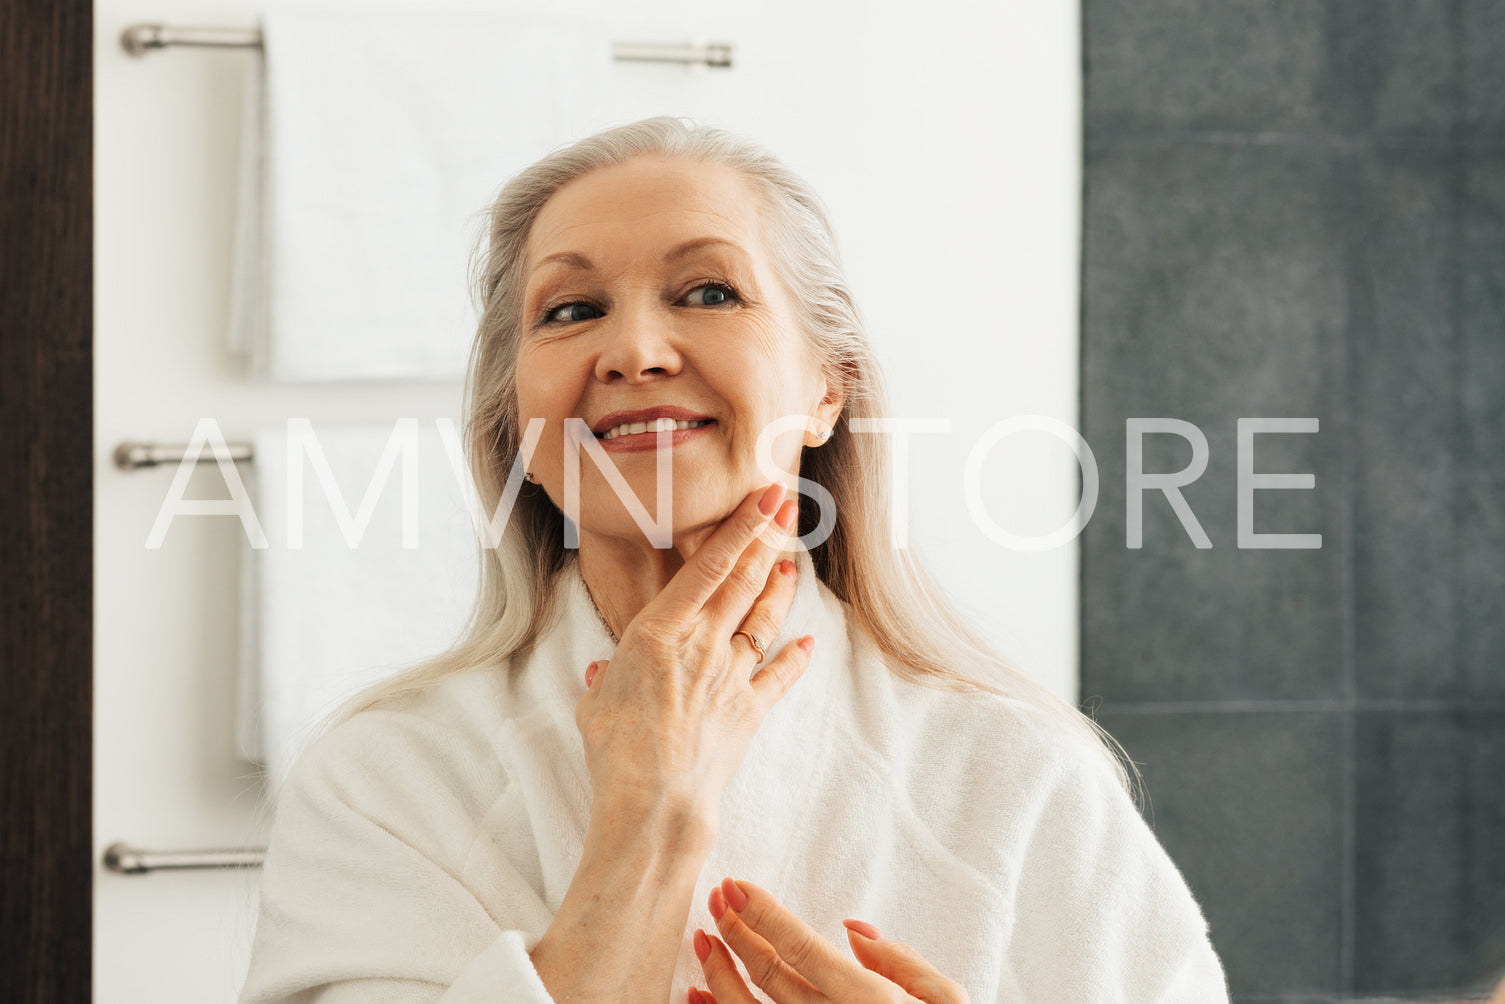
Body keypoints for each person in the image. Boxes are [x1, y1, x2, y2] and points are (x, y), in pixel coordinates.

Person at [238, 116, 1229, 1004]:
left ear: (824, 389)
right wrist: (649, 817)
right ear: (515, 420)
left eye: (707, 290)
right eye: (568, 310)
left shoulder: (1016, 775)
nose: (632, 349)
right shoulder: (384, 776)